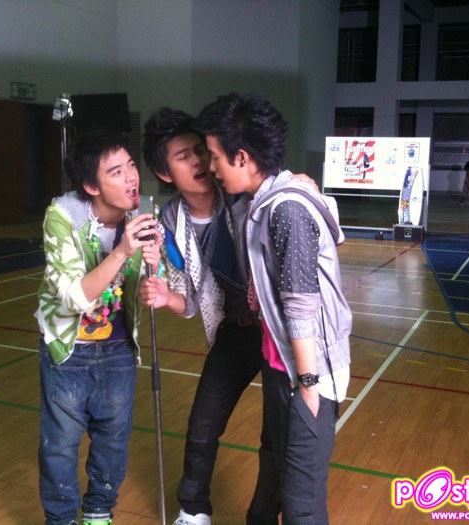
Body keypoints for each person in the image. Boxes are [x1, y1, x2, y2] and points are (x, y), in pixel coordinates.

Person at [197, 92, 352, 525]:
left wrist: (308, 385)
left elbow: (301, 305)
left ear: (242, 157)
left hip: (306, 375)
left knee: (302, 505)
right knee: (275, 473)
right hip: (279, 365)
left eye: (215, 157)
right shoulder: (263, 202)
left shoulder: (286, 208)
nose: (212, 167)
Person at [139, 108, 276, 525]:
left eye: (201, 150)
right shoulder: (169, 222)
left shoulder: (239, 192)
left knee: (276, 434)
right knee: (202, 423)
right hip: (234, 328)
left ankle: (263, 517)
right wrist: (166, 297)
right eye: (183, 157)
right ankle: (193, 508)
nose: (199, 161)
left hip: (275, 328)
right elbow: (190, 300)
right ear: (165, 173)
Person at [35, 132, 161, 525]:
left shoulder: (141, 217)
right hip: (69, 348)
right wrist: (123, 251)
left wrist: (154, 266)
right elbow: (73, 298)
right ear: (92, 186)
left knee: (113, 441)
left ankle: (98, 513)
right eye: (116, 171)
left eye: (131, 166)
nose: (131, 177)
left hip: (119, 349)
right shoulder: (63, 217)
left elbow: (151, 289)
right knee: (60, 445)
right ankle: (60, 519)